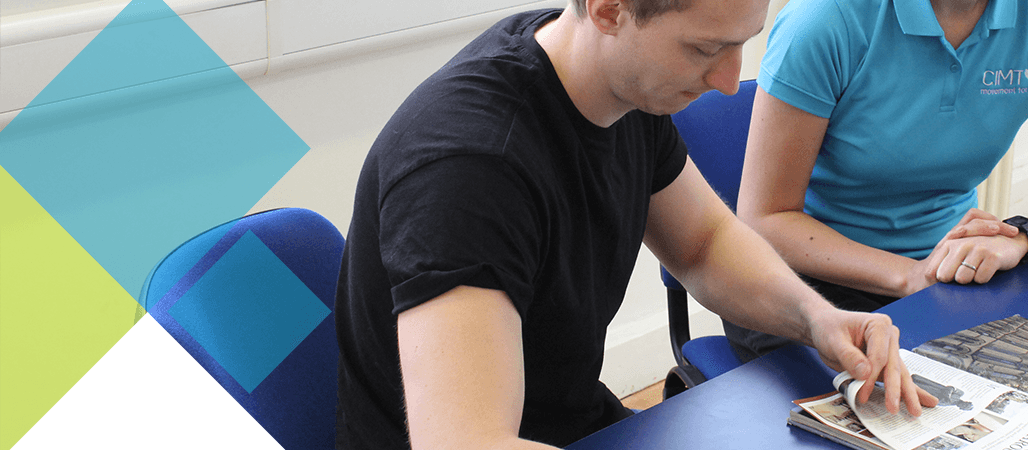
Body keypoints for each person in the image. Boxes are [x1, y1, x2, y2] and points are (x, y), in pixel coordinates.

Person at [333, 0, 938, 448]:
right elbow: (467, 443)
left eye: (743, 43)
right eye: (704, 50)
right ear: (608, 9)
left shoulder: (619, 85)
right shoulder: (471, 168)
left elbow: (703, 246)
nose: (731, 81)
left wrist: (819, 319)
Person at [727, 0, 1028, 358]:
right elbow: (764, 219)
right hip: (806, 286)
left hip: (946, 278)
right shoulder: (826, 18)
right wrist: (908, 276)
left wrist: (1019, 237)